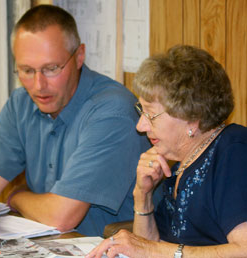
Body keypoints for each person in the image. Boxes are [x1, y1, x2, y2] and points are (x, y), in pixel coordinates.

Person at [0, 5, 149, 237]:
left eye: (51, 69)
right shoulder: (21, 103)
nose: (38, 86)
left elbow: (61, 217)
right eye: (26, 70)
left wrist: (18, 196)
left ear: (79, 56)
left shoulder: (112, 111)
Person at [87, 45, 247, 257]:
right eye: (140, 111)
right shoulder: (181, 163)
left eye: (150, 114)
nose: (140, 126)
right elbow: (149, 248)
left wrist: (155, 250)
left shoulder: (233, 152)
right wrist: (142, 195)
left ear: (191, 117)